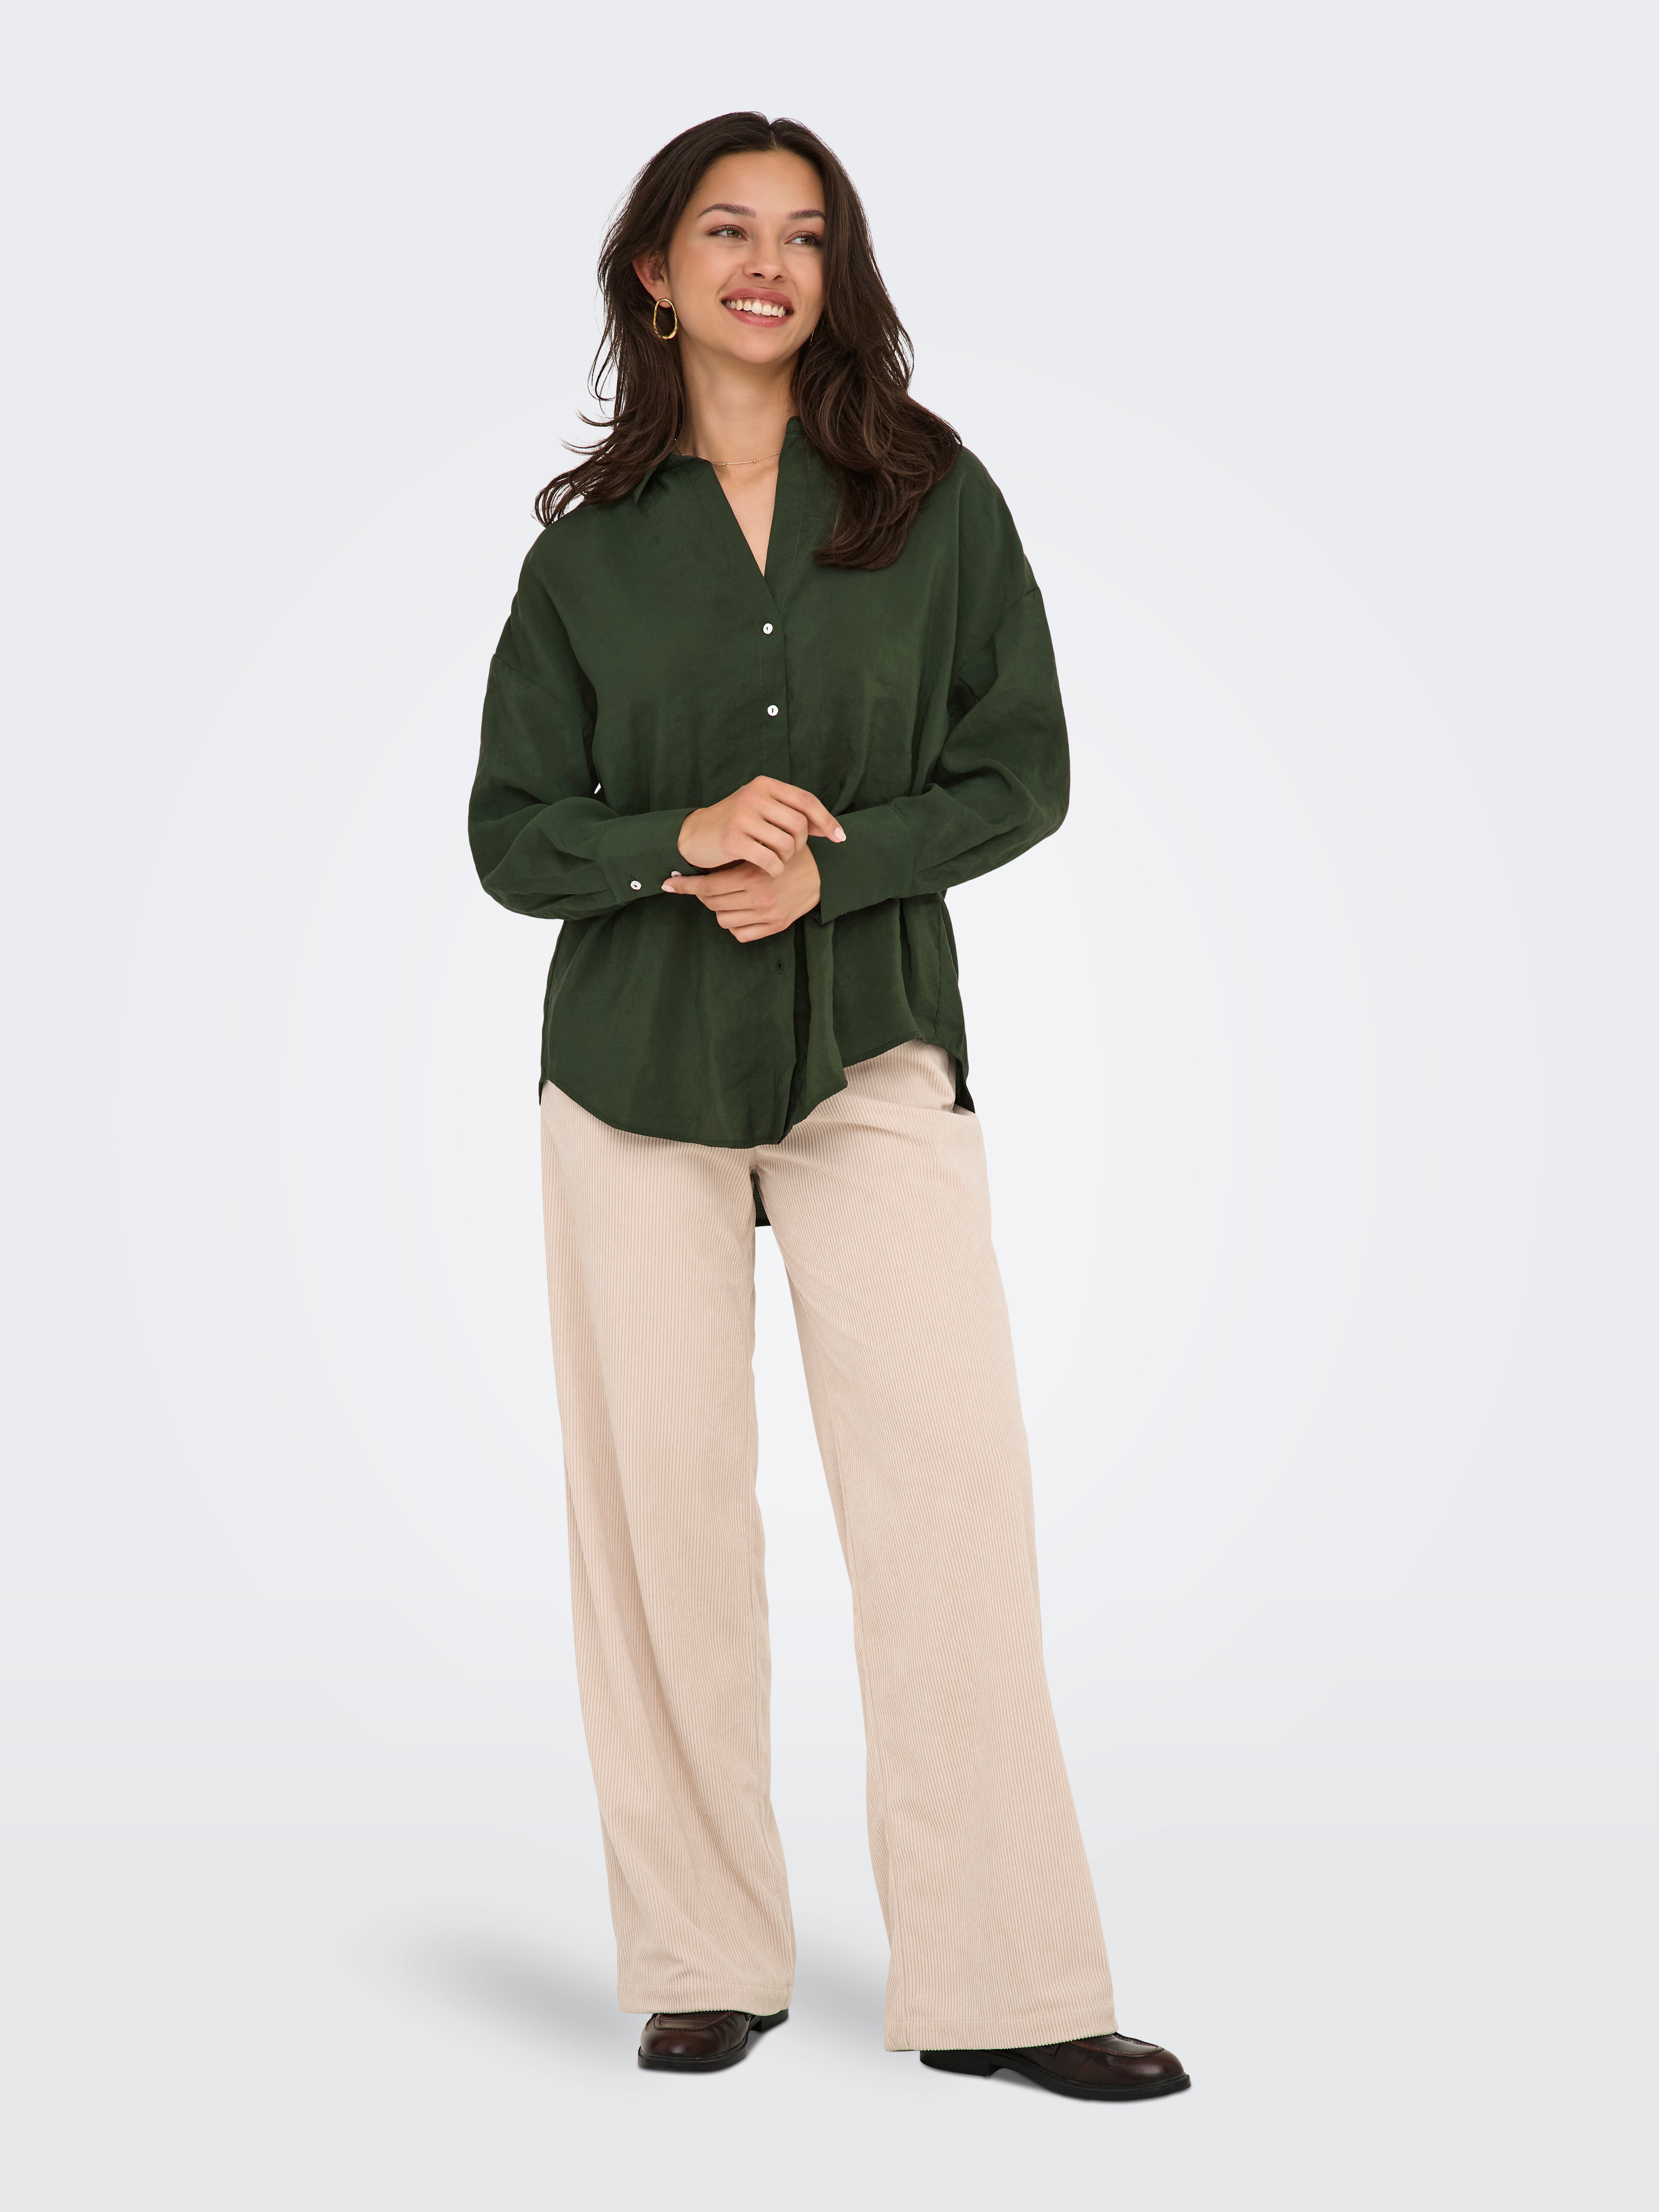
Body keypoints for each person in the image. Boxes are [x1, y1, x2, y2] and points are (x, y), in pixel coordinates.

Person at [468, 110, 1188, 2103]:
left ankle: (1009, 1983)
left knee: (951, 1503)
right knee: (664, 1522)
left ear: (835, 271)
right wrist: (673, 838)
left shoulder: (935, 505)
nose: (765, 265)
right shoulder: (587, 557)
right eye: (726, 231)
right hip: (634, 1074)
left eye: (802, 234)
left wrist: (833, 868)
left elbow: (1021, 771)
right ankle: (702, 1957)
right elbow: (513, 834)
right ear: (657, 272)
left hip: (873, 1050)